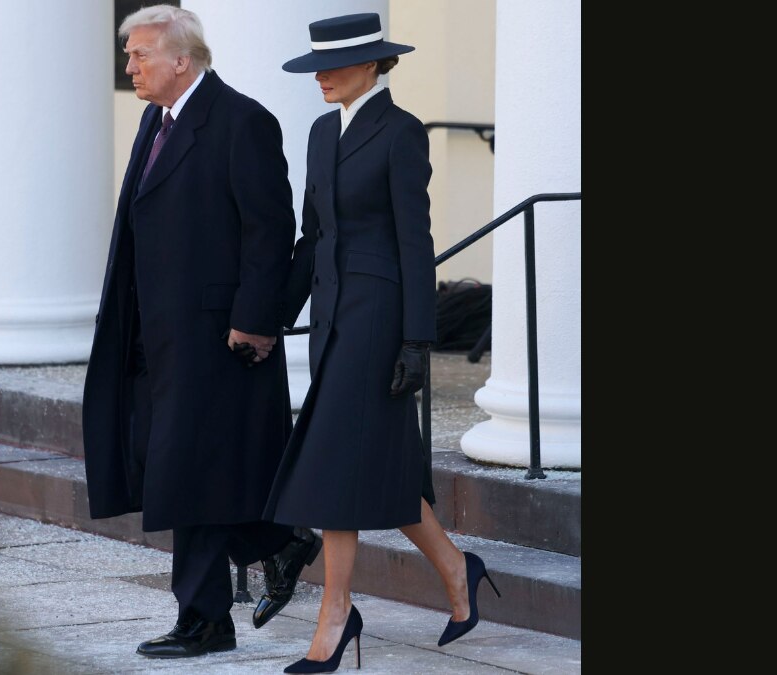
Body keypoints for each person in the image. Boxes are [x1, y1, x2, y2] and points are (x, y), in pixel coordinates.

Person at [81, 5, 322, 660]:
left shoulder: (243, 121)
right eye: (128, 55)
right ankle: (278, 542)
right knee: (187, 469)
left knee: (188, 473)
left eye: (139, 54)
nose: (129, 65)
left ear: (181, 60)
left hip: (220, 338)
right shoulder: (154, 122)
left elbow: (268, 231)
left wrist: (255, 319)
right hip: (154, 333)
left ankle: (204, 618)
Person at [262, 13, 501, 673]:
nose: (322, 78)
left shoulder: (401, 133)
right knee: (380, 471)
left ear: (373, 63)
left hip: (378, 318)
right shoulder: (317, 132)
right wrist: (273, 315)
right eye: (316, 68)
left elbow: (414, 242)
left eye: (334, 66)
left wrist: (417, 340)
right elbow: (312, 236)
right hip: (333, 315)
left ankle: (336, 615)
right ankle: (458, 570)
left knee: (335, 463)